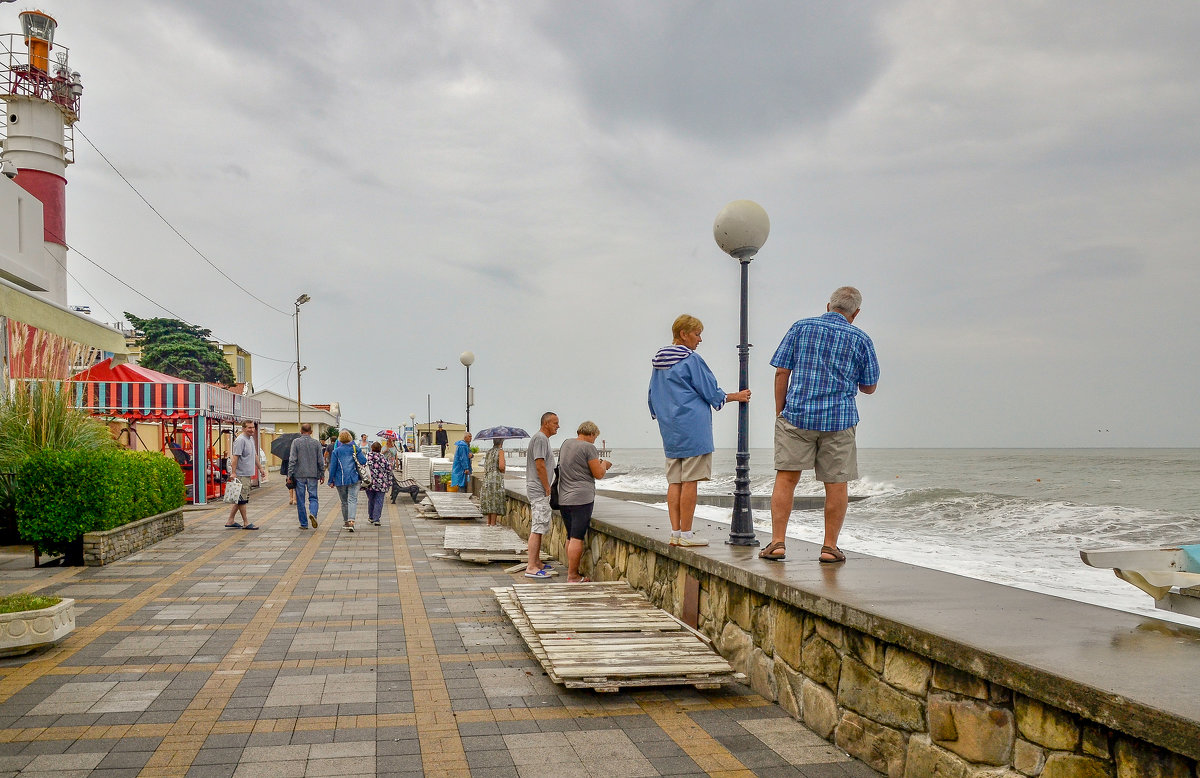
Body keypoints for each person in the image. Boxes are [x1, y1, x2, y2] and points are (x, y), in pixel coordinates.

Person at [762, 286, 879, 563]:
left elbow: (781, 371)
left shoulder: (800, 327)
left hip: (797, 416)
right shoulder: (861, 339)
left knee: (787, 477)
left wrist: (781, 411)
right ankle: (829, 547)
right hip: (839, 420)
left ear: (828, 305)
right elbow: (870, 387)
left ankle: (778, 542)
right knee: (836, 483)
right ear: (856, 313)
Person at [649, 314, 751, 547]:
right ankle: (686, 534)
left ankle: (675, 533)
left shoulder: (659, 363)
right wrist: (736, 396)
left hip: (670, 428)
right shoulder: (690, 359)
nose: (700, 339)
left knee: (675, 481)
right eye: (697, 334)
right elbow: (710, 390)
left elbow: (652, 395)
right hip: (693, 427)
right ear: (683, 334)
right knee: (691, 481)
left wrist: (662, 416)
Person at [557, 421, 612, 582]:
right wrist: (604, 464)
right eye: (595, 437)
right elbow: (598, 474)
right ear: (592, 434)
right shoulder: (589, 448)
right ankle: (572, 576)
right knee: (577, 537)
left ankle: (571, 570)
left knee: (569, 536)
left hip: (564, 497)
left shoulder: (566, 443)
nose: (595, 440)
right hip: (581, 498)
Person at [523, 412, 559, 579]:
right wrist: (547, 486)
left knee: (540, 525)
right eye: (555, 423)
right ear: (546, 423)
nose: (558, 426)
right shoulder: (540, 439)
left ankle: (536, 562)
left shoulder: (542, 439)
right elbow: (540, 464)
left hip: (537, 488)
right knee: (538, 527)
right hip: (538, 488)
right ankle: (531, 567)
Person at [225, 420, 262, 530]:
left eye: (252, 427)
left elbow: (254, 455)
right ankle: (246, 522)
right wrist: (233, 472)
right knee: (242, 499)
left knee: (239, 497)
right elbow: (235, 457)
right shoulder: (240, 440)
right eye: (249, 428)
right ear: (243, 428)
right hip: (241, 474)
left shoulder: (250, 439)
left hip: (247, 474)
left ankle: (230, 520)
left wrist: (260, 468)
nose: (251, 430)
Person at [288, 423, 325, 529]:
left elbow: (292, 460)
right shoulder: (316, 443)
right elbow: (320, 461)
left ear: (301, 431)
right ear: (311, 431)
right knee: (313, 497)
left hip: (299, 474)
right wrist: (322, 474)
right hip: (313, 474)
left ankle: (304, 523)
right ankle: (313, 513)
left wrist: (290, 475)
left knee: (300, 499)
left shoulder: (296, 442)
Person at [327, 430, 367, 532]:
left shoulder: (336, 451)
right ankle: (352, 521)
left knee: (344, 501)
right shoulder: (355, 449)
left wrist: (331, 480)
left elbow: (333, 467)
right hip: (354, 478)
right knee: (352, 499)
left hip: (340, 480)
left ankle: (346, 522)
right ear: (350, 438)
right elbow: (363, 461)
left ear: (340, 439)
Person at [479, 437, 506, 526]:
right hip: (495, 478)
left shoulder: (489, 452)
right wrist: (503, 469)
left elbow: (485, 465)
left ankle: (489, 523)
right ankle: (493, 524)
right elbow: (501, 467)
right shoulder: (500, 451)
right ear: (502, 442)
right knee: (494, 500)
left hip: (487, 477)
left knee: (489, 500)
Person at [365, 442, 393, 526]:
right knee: (379, 500)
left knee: (371, 500)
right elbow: (389, 470)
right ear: (380, 449)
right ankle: (376, 519)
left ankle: (371, 517)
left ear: (372, 448)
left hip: (369, 483)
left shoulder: (367, 457)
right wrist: (390, 482)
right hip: (381, 483)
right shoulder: (383, 458)